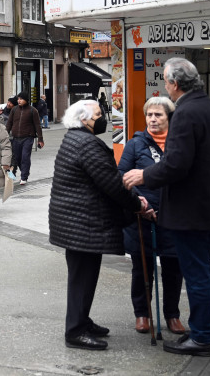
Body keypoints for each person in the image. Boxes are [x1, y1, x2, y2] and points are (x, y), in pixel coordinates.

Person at [123, 58, 210, 357]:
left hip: (191, 210)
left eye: (167, 83)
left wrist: (144, 175)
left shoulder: (185, 113)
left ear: (174, 83)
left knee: (196, 273)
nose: (166, 88)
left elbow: (177, 164)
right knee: (207, 270)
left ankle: (202, 337)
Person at [49, 99, 153, 351]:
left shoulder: (75, 138)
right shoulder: (87, 144)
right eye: (98, 114)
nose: (102, 117)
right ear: (84, 120)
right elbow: (112, 184)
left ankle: (82, 320)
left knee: (85, 274)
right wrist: (136, 205)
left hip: (77, 221)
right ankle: (75, 331)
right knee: (82, 277)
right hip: (81, 222)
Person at [119, 96, 185, 336]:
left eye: (159, 115)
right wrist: (139, 202)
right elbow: (121, 175)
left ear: (169, 118)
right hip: (141, 217)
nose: (153, 119)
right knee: (143, 269)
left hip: (174, 216)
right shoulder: (135, 144)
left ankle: (172, 315)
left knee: (173, 268)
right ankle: (142, 314)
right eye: (150, 115)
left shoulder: (179, 144)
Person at [6, 91, 44, 185]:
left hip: (28, 137)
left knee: (25, 157)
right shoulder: (14, 110)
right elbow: (9, 123)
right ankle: (21, 173)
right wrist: (5, 135)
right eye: (18, 99)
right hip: (16, 138)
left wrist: (40, 139)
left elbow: (37, 125)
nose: (19, 101)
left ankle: (24, 176)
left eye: (21, 99)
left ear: (26, 100)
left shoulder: (33, 110)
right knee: (17, 158)